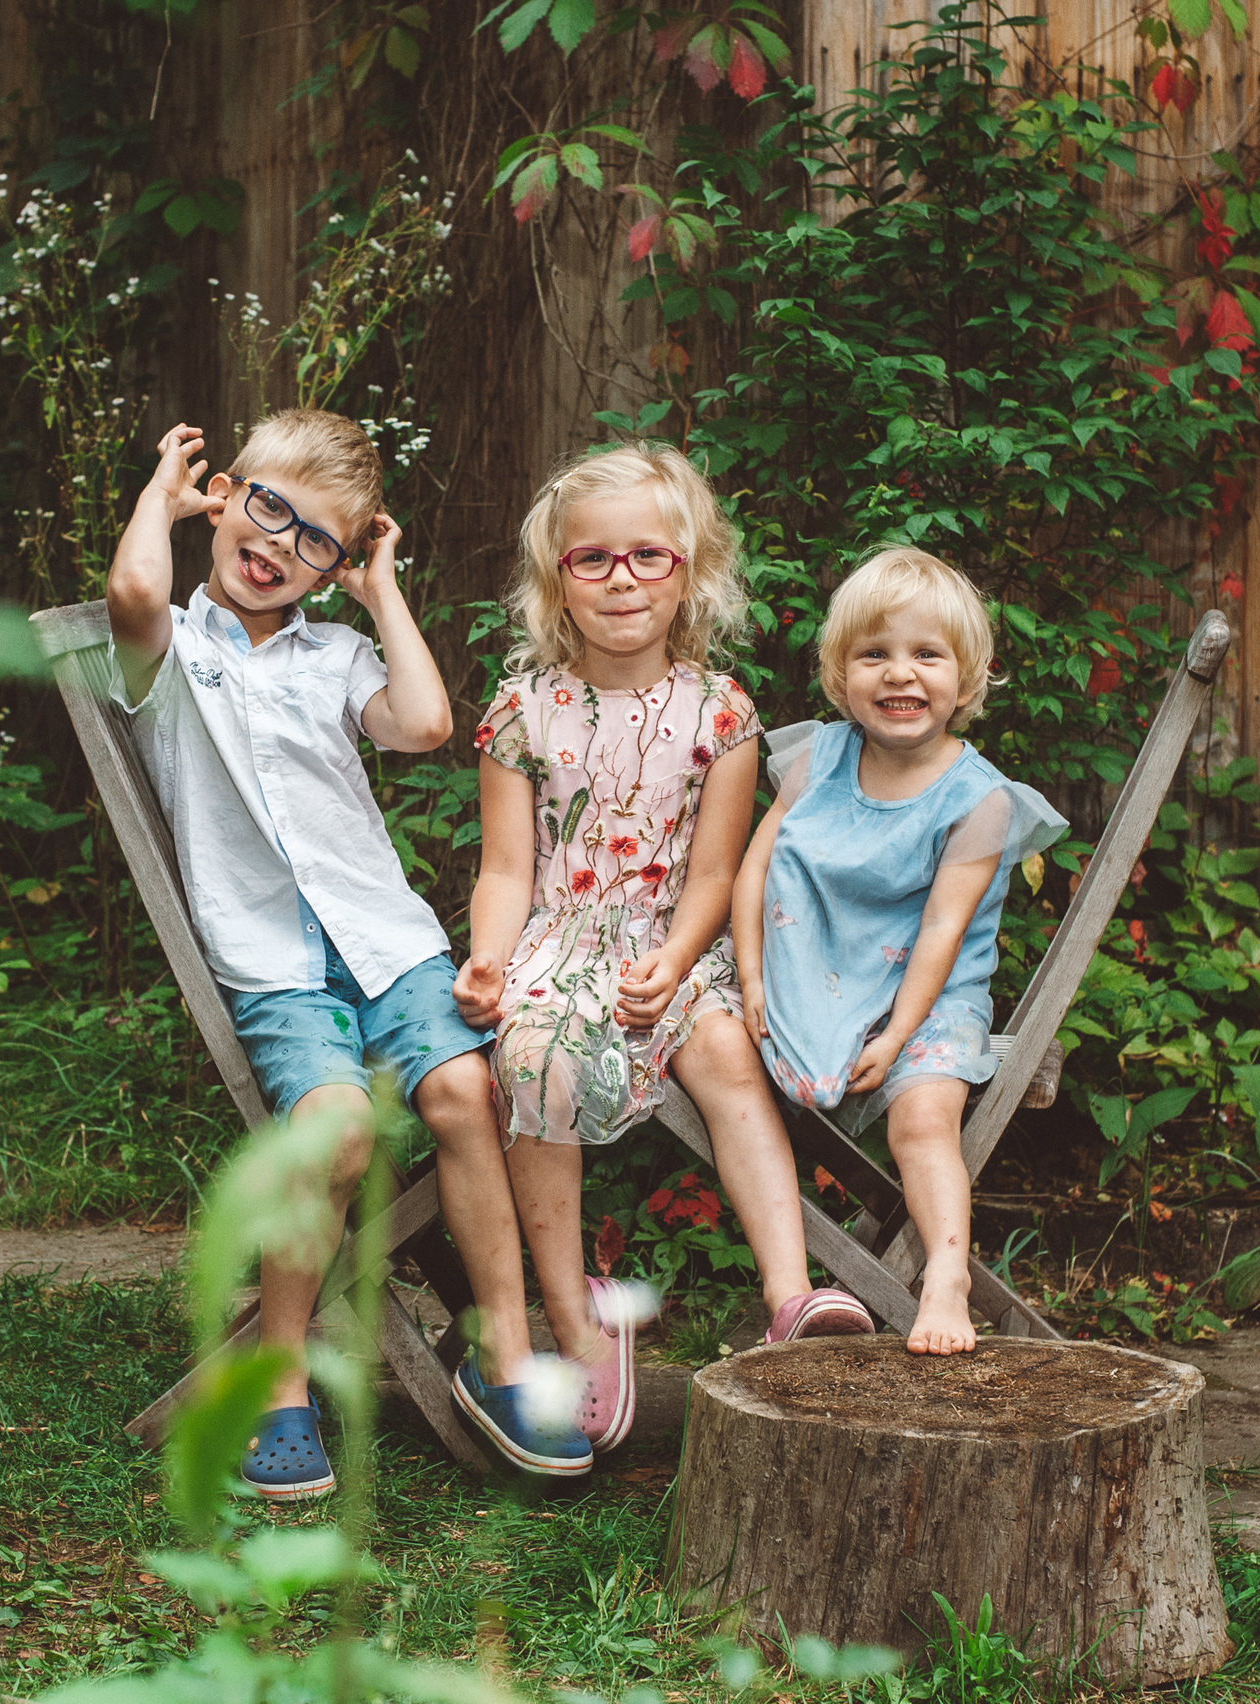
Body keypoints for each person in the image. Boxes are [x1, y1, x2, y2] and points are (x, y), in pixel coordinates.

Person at [107, 413, 589, 1492]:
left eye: (314, 540)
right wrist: (162, 495)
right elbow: (135, 594)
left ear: (338, 562)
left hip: (386, 940)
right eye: (264, 509)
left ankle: (503, 1357)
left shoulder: (337, 652)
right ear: (226, 495)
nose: (277, 544)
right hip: (273, 962)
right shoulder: (175, 652)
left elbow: (422, 725)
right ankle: (277, 1381)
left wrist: (380, 591)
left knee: (468, 1090)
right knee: (334, 1138)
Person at [454, 443, 871, 1462]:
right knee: (532, 1057)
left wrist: (679, 961)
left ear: (691, 570)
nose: (621, 580)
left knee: (727, 1057)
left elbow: (716, 874)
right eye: (590, 560)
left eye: (648, 556)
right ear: (556, 582)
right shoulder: (520, 711)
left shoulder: (721, 712)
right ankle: (576, 1317)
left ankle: (789, 1297)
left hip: (672, 946)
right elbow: (508, 869)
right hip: (561, 941)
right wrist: (487, 960)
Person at [734, 547, 1067, 1356]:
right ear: (838, 670)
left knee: (923, 1122)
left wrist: (893, 1037)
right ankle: (796, 1284)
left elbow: (943, 935)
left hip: (930, 1000)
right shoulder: (816, 761)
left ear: (969, 674)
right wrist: (749, 977)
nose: (899, 675)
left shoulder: (979, 802)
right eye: (873, 654)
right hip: (809, 980)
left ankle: (946, 1277)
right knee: (718, 1068)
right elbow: (755, 870)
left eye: (927, 655)